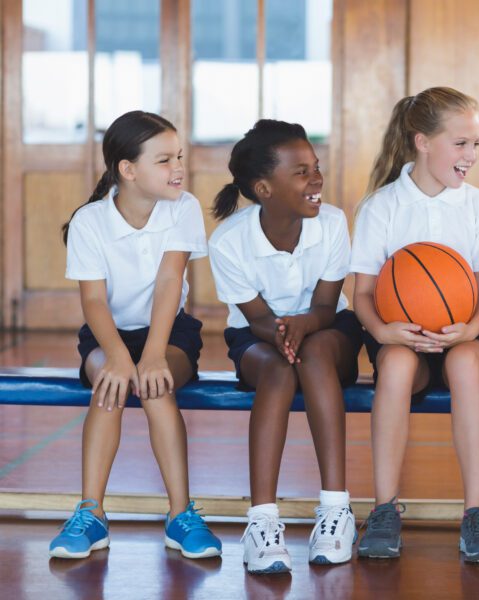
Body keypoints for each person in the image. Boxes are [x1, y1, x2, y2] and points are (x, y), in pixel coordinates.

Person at [51, 111, 220, 560]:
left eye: (179, 157)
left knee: (155, 387)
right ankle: (91, 514)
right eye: (164, 160)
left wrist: (151, 356)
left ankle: (181, 515)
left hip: (168, 330)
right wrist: (117, 357)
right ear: (127, 169)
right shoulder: (90, 221)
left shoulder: (182, 207)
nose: (178, 168)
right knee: (110, 386)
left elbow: (169, 284)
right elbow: (94, 303)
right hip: (107, 333)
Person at [351, 87, 479, 563]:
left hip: (468, 332)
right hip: (401, 334)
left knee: (464, 367)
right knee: (396, 367)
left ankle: (476, 514)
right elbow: (360, 294)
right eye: (461, 144)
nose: (471, 156)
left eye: (476, 144)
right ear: (422, 142)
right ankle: (383, 508)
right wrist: (382, 333)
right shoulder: (382, 206)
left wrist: (469, 329)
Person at [208, 119, 363, 572]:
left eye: (315, 167)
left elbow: (328, 306)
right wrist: (280, 331)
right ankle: (262, 523)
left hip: (327, 329)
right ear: (263, 188)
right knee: (277, 372)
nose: (316, 179)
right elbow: (254, 318)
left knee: (313, 354)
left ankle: (336, 509)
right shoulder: (228, 242)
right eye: (300, 171)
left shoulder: (332, 223)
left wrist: (301, 326)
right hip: (259, 336)